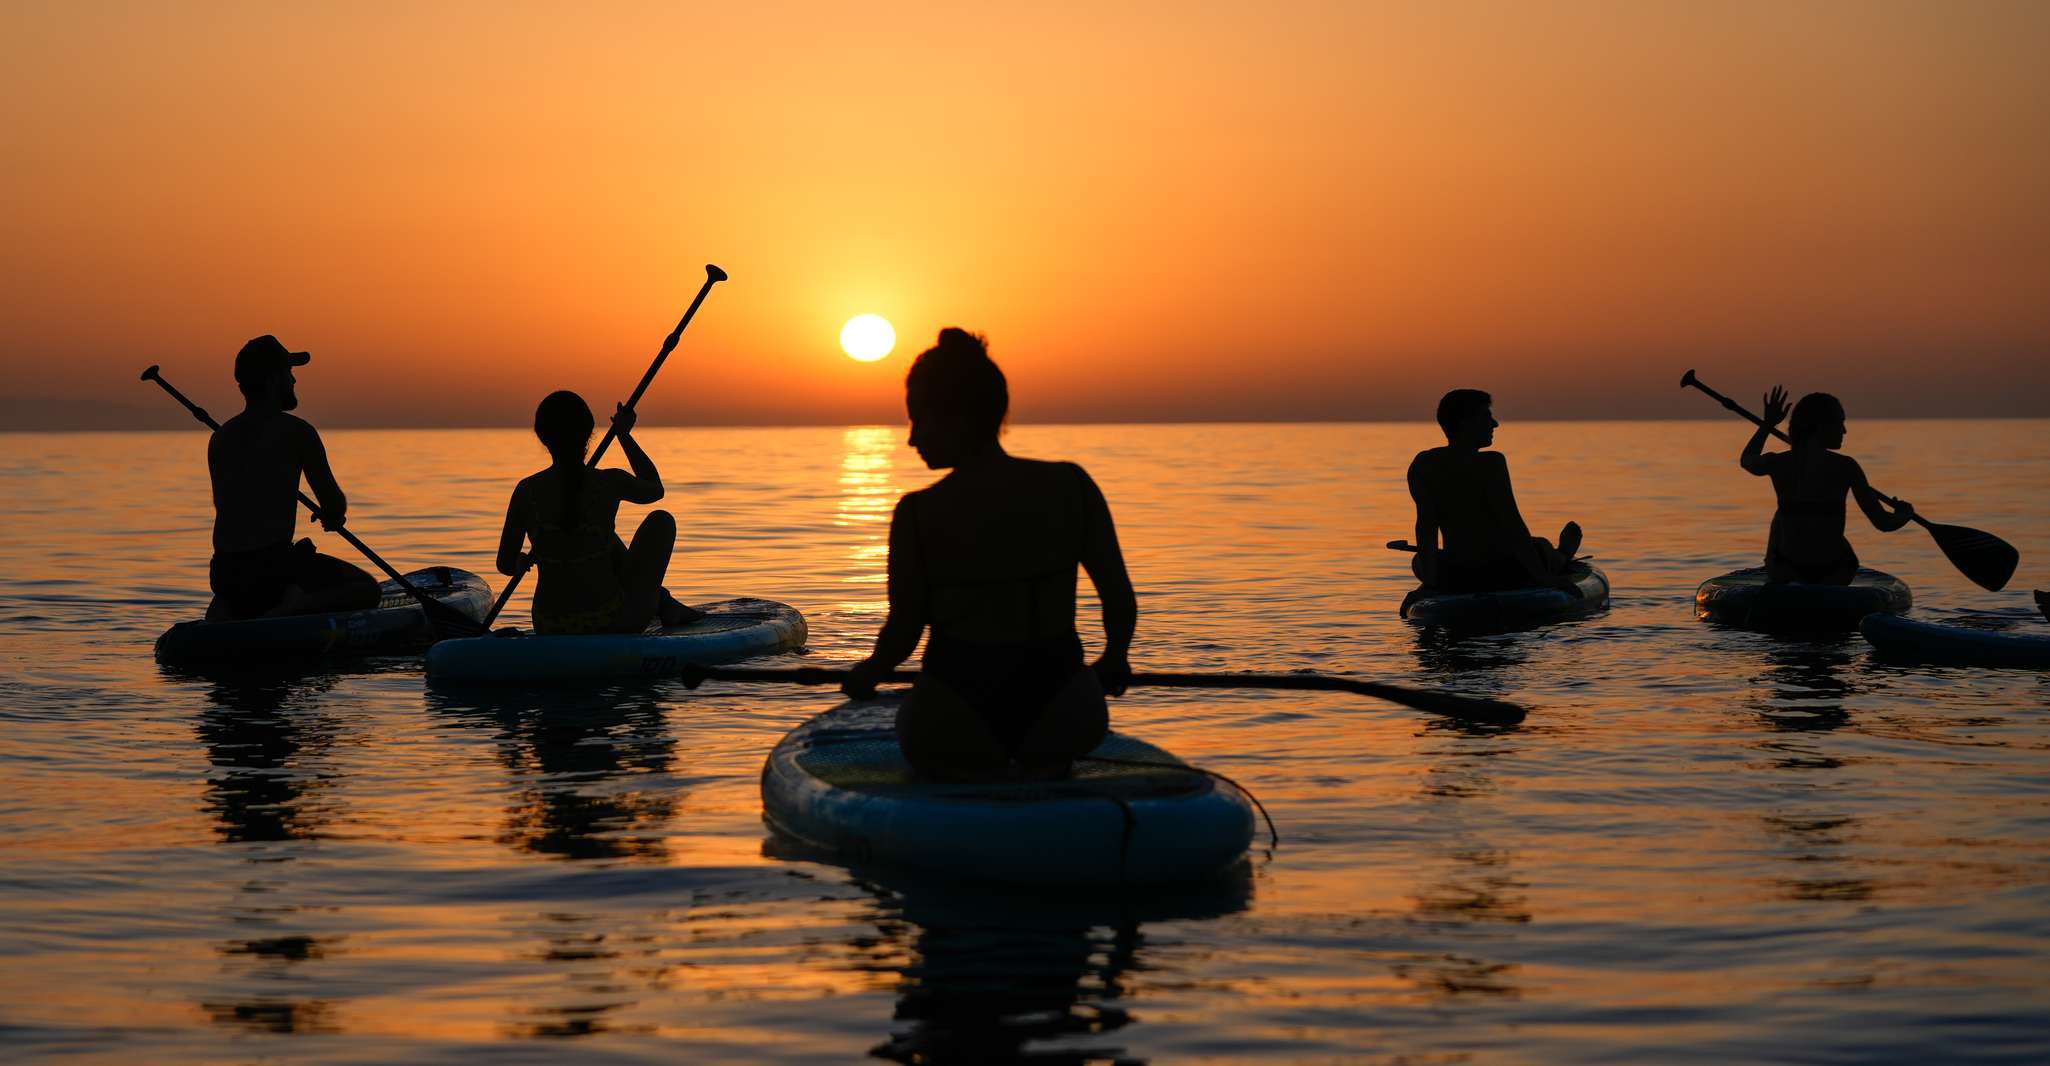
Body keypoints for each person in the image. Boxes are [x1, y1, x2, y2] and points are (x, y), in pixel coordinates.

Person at [842, 328, 1137, 781]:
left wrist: (869, 672)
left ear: (960, 418)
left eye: (919, 419)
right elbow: (1118, 598)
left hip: (957, 715)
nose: (912, 439)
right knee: (1049, 762)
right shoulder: (1072, 486)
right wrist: (1115, 657)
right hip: (1064, 709)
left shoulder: (918, 513)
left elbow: (904, 631)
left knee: (935, 747)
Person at [206, 335, 380, 621]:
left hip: (226, 573)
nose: (294, 380)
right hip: (274, 569)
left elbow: (235, 504)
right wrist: (332, 516)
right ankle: (293, 606)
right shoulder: (298, 433)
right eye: (289, 373)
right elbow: (333, 504)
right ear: (274, 380)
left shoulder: (221, 437)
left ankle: (229, 608)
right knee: (367, 589)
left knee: (247, 582)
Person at [495, 391, 699, 635]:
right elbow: (655, 489)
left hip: (549, 624)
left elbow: (505, 564)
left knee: (599, 536)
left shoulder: (526, 490)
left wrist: (519, 561)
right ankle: (664, 603)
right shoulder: (609, 482)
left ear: (542, 438)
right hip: (610, 621)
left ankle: (666, 603)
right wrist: (624, 435)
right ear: (589, 433)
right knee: (661, 521)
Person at [1406, 389, 1584, 594]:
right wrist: (1543, 577)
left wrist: (1430, 582)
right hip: (1502, 569)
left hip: (1459, 570)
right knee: (1540, 546)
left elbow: (1425, 527)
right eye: (1486, 416)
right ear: (1465, 422)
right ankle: (1562, 554)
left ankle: (1558, 554)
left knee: (1420, 560)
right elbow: (1512, 525)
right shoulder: (1491, 463)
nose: (1494, 424)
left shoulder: (1423, 464)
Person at [1740, 387, 1914, 585]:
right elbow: (1883, 523)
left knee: (1783, 515)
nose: (1844, 430)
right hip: (1833, 572)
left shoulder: (1778, 463)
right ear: (1820, 426)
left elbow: (1747, 460)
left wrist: (1767, 424)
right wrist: (1905, 514)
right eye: (1839, 422)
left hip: (1785, 570)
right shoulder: (1847, 467)